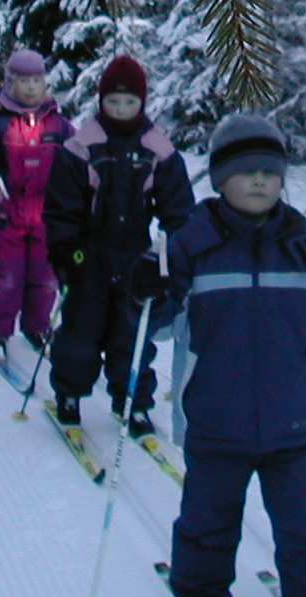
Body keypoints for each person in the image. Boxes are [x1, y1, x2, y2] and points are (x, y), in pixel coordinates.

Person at [130, 115, 306, 597]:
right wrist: (146, 290)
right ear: (222, 178)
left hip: (294, 424)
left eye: (270, 172)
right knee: (206, 531)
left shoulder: (304, 242)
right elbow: (158, 326)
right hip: (214, 423)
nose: (259, 180)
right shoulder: (191, 244)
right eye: (247, 171)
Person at [44, 55, 194, 436]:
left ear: (142, 103)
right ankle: (69, 393)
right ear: (101, 101)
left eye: (130, 103)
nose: (121, 110)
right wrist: (67, 252)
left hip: (135, 259)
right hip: (90, 255)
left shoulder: (157, 147)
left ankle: (133, 402)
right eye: (114, 102)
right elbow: (62, 207)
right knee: (81, 330)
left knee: (133, 335)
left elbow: (179, 210)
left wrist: (170, 260)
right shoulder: (82, 144)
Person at [0, 49, 74, 357]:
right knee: (7, 279)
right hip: (7, 215)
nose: (30, 88)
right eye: (23, 81)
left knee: (45, 278)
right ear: (10, 84)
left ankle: (37, 325)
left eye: (36, 81)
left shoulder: (59, 125)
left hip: (46, 217)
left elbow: (78, 159)